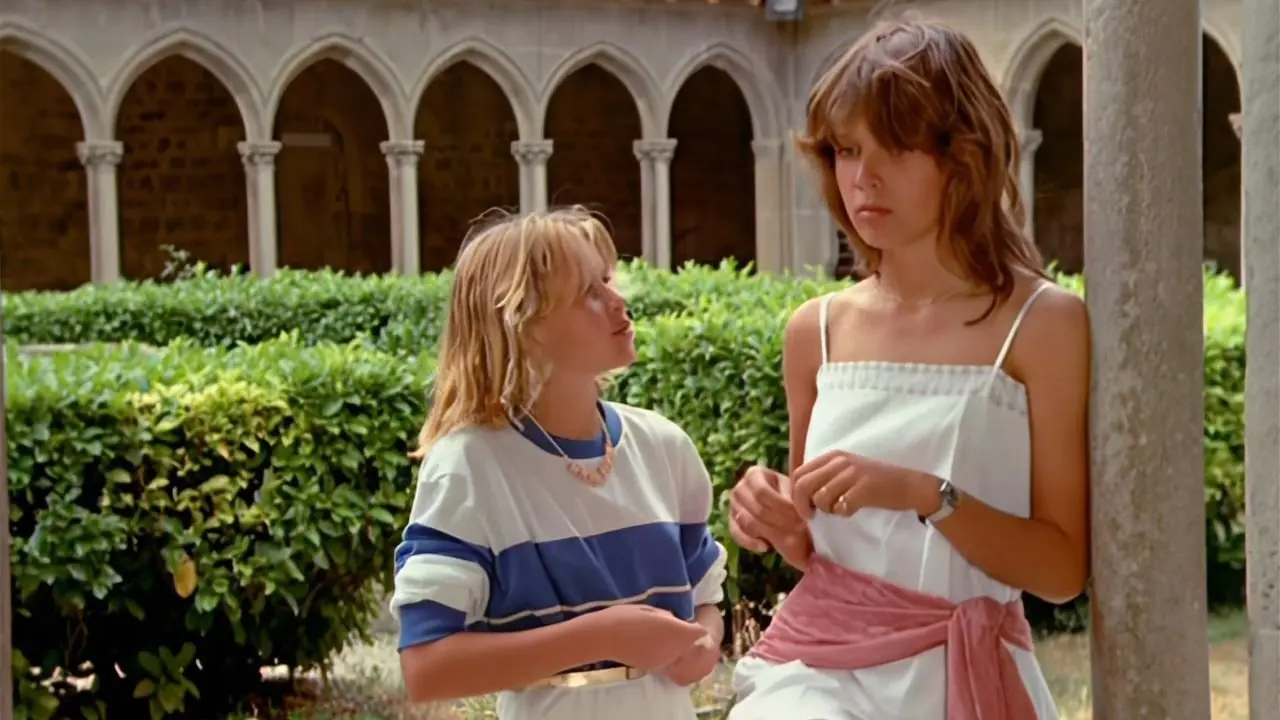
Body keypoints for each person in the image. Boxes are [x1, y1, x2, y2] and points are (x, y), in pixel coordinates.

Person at [726, 17, 1090, 720]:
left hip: (962, 673)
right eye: (846, 149)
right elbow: (816, 546)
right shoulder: (816, 332)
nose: (864, 179)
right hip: (817, 671)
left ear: (964, 156)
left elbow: (1059, 571)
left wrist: (927, 493)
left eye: (895, 148)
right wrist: (776, 517)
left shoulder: (1042, 324)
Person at [390, 207, 728, 720]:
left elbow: (706, 602)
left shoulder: (663, 447)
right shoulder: (471, 467)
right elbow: (427, 667)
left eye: (609, 281)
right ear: (524, 324)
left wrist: (702, 644)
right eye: (591, 293)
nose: (619, 302)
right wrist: (602, 636)